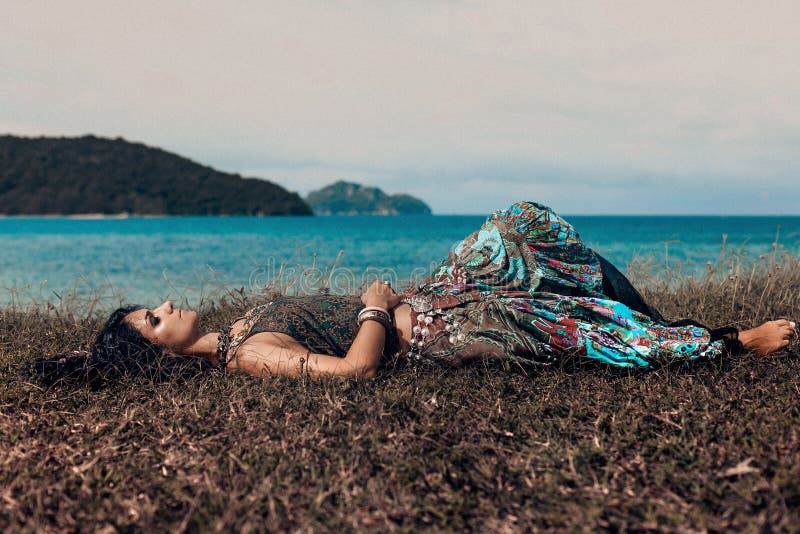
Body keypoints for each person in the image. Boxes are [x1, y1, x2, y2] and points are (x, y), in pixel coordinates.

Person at [30, 201, 797, 386]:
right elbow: (355, 372)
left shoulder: (237, 328)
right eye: (154, 318)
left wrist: (84, 353)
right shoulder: (249, 355)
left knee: (520, 226)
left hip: (432, 295)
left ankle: (662, 323)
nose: (165, 303)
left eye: (151, 305)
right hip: (430, 332)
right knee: (569, 331)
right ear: (161, 350)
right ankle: (727, 340)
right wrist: (370, 303)